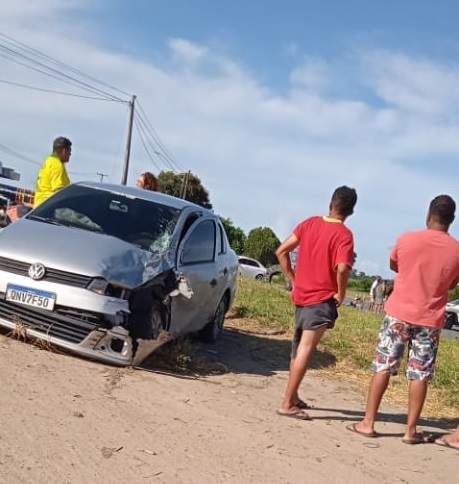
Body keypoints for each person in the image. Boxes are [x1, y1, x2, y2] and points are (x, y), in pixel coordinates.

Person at [348, 195, 459, 444]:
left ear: (429, 214)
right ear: (452, 220)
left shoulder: (407, 239)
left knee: (383, 365)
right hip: (430, 320)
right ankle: (410, 431)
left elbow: (394, 264)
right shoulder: (456, 251)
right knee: (420, 374)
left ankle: (368, 422)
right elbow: (452, 283)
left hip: (399, 313)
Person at [276, 186, 357, 419]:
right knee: (306, 349)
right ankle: (286, 403)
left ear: (331, 203)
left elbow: (281, 251)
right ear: (351, 210)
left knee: (298, 346)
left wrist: (293, 279)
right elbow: (342, 267)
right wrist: (341, 293)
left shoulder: (309, 223)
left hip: (301, 296)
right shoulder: (344, 235)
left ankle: (293, 396)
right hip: (321, 299)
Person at [34, 137, 72, 208]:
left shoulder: (49, 160)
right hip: (50, 207)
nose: (70, 154)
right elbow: (59, 193)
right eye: (69, 151)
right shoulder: (57, 165)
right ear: (64, 150)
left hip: (40, 204)